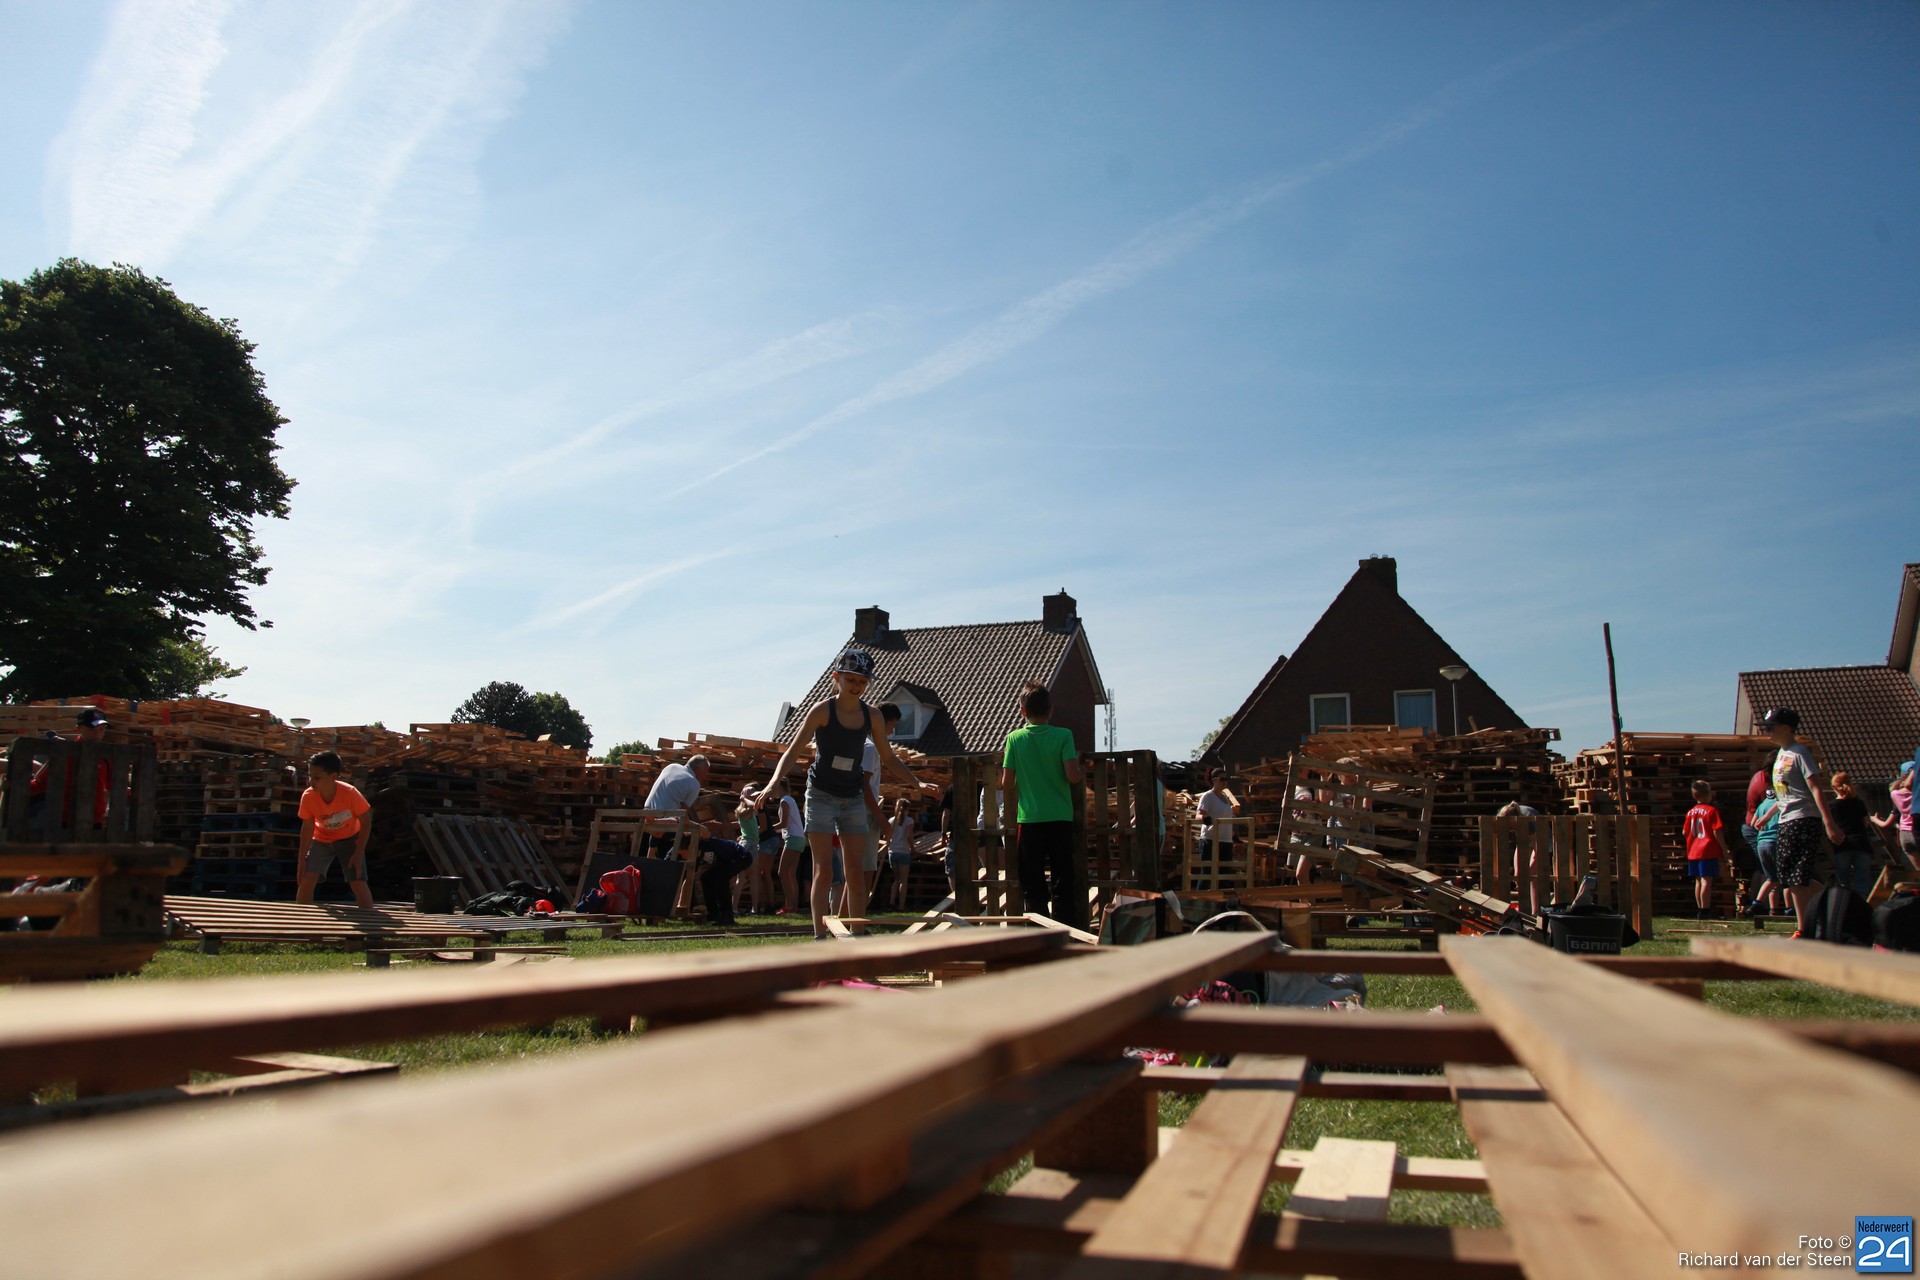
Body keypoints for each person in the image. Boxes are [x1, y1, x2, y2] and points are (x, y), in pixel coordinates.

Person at [758, 649, 936, 939]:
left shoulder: (872, 716)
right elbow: (793, 750)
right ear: (837, 678)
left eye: (862, 682)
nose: (857, 686)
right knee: (824, 870)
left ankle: (858, 934)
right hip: (821, 795)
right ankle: (819, 937)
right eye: (851, 680)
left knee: (855, 871)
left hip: (852, 798)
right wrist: (773, 782)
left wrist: (917, 783)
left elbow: (889, 758)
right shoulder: (822, 711)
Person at [1000, 681, 1084, 921]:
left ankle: (1039, 927)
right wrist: (1081, 771)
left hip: (1030, 819)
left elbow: (1007, 782)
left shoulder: (1014, 738)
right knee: (1063, 877)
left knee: (1032, 879)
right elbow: (1072, 775)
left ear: (1023, 711)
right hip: (1060, 817)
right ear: (1050, 709)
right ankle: (1066, 927)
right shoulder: (1064, 736)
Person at [1761, 708, 1843, 937]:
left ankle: (1803, 929)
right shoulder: (1780, 754)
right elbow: (1785, 794)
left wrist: (1828, 822)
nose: (1767, 732)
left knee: (1796, 877)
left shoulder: (1800, 753)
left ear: (1786, 728)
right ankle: (1835, 898)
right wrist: (1767, 816)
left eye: (1771, 727)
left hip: (1803, 818)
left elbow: (1815, 787)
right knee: (1790, 875)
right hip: (1786, 819)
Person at [295, 751, 374, 908]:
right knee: (306, 878)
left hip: (350, 839)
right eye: (310, 776)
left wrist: (359, 852)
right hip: (321, 839)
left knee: (358, 881)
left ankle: (370, 922)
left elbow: (366, 822)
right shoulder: (308, 796)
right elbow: (308, 827)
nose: (311, 782)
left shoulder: (350, 793)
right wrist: (301, 859)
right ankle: (302, 919)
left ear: (333, 777)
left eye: (317, 778)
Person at [26, 707, 116, 832]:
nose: (97, 734)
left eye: (101, 729)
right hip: (64, 820)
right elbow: (41, 783)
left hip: (94, 821)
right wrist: (18, 786)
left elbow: (115, 786)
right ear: (78, 729)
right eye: (91, 729)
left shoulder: (105, 758)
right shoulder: (65, 755)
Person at [1681, 779, 1729, 920]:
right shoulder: (1711, 811)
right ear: (1709, 794)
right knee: (1707, 880)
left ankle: (1700, 908)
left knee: (1698, 881)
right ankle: (1705, 910)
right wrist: (1724, 849)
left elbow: (1684, 832)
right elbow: (1717, 831)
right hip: (1707, 849)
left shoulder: (1690, 812)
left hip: (1693, 850)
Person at [1827, 772, 1876, 897]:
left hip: (1842, 843)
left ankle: (1844, 904)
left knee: (1843, 881)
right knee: (1862, 879)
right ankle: (1861, 903)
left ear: (1834, 787)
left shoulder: (1831, 805)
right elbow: (1865, 823)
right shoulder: (1859, 803)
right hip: (1861, 842)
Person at [1195, 768, 1242, 891]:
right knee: (1207, 875)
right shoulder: (1208, 796)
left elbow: (1227, 818)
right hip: (1210, 839)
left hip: (1226, 840)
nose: (1225, 782)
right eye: (1222, 779)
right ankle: (1199, 901)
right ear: (1214, 780)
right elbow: (1198, 815)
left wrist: (1233, 835)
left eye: (1226, 779)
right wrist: (1205, 818)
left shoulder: (1225, 798)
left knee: (1224, 876)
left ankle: (1222, 901)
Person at [1496, 801, 1543, 915]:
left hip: (1541, 840)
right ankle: (1522, 909)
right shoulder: (1506, 818)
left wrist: (1530, 868)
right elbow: (1520, 846)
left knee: (1532, 875)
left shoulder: (1529, 821)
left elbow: (1537, 847)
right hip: (1525, 840)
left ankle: (1535, 912)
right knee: (1519, 874)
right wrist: (1517, 872)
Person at [1747, 788, 1787, 917]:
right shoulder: (1781, 803)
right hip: (1776, 842)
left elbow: (1753, 823)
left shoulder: (1762, 805)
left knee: (1771, 878)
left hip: (1762, 844)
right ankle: (1789, 909)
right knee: (1786, 878)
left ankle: (1761, 905)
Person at [1868, 768, 1917, 872]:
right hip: (1916, 831)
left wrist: (1874, 819)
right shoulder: (1916, 798)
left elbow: (1885, 824)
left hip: (1905, 834)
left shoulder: (1895, 796)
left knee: (1914, 869)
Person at [771, 781, 807, 916]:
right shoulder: (790, 800)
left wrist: (766, 830)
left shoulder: (784, 801)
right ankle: (793, 906)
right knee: (791, 873)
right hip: (799, 838)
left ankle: (789, 905)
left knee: (782, 872)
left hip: (793, 838)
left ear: (780, 787)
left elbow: (783, 823)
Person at [885, 799, 916, 911]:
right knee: (903, 880)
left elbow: (886, 836)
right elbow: (909, 836)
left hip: (893, 851)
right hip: (904, 851)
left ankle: (892, 902)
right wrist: (913, 849)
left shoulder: (891, 820)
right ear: (907, 809)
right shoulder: (909, 821)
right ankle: (901, 906)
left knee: (896, 879)